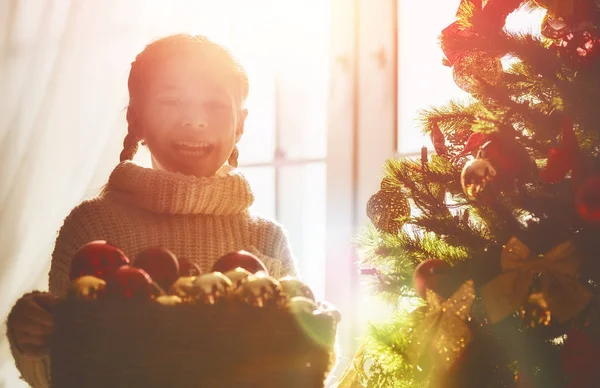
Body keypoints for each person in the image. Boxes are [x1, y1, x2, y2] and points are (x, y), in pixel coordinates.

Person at [5, 34, 297, 387]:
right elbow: (68, 366)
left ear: (241, 124)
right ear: (137, 118)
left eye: (215, 105)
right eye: (172, 100)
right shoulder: (93, 226)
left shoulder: (267, 238)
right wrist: (34, 336)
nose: (194, 120)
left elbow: (301, 355)